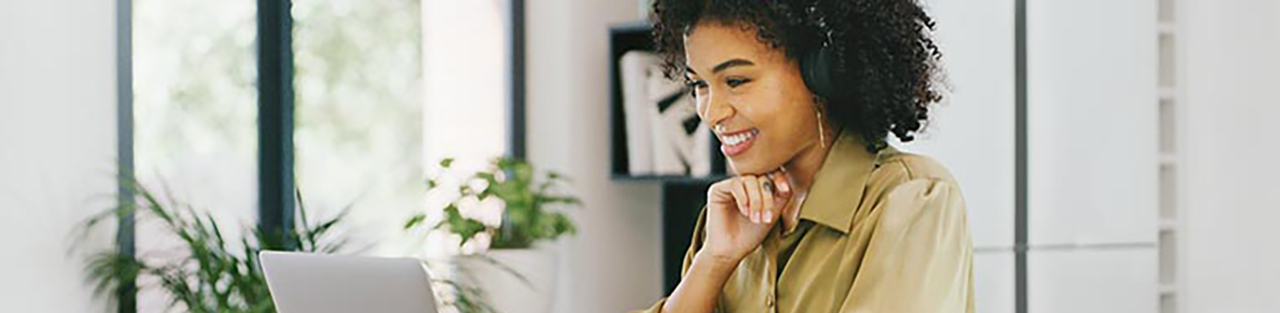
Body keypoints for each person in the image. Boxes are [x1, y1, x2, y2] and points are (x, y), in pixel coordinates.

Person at [633, 0, 974, 312]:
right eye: (699, 85)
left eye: (736, 81)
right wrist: (713, 262)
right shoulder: (727, 223)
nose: (710, 112)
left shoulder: (911, 199)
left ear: (821, 75)